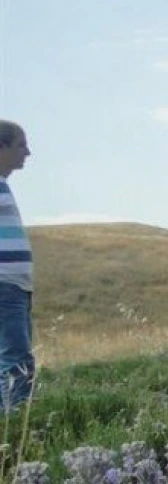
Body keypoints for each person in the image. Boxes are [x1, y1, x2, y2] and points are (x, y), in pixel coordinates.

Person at [0, 120, 34, 411]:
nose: (27, 152)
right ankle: (14, 427)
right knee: (16, 359)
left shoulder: (3, 186)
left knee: (15, 357)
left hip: (16, 286)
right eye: (20, 145)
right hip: (5, 285)